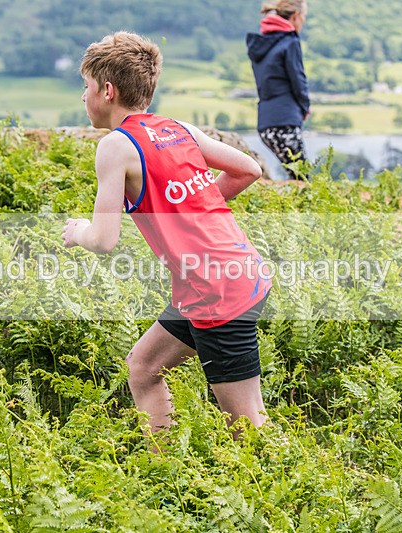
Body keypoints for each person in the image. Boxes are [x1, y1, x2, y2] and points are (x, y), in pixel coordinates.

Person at [61, 32, 272, 435]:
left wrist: (79, 231)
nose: (83, 97)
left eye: (86, 86)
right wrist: (190, 208)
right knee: (143, 367)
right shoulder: (177, 129)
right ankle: (162, 463)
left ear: (107, 91)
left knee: (248, 428)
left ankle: (284, 475)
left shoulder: (115, 146)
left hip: (218, 292)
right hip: (225, 278)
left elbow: (104, 239)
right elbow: (248, 169)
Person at [247, 0, 311, 181]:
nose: (303, 21)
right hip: (286, 120)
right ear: (296, 16)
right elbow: (298, 79)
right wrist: (305, 107)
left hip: (265, 124)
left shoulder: (261, 44)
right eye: (304, 16)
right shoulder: (290, 41)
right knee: (302, 177)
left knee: (294, 175)